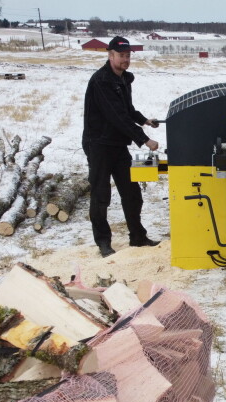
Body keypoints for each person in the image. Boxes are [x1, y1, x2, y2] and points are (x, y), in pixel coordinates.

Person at [82, 35, 160, 258]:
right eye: (121, 55)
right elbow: (117, 116)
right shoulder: (101, 81)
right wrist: (144, 139)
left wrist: (144, 119)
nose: (125, 60)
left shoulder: (123, 79)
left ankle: (137, 237)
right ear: (110, 55)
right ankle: (103, 242)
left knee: (132, 192)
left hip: (117, 144)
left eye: (128, 56)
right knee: (101, 195)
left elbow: (127, 110)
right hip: (98, 144)